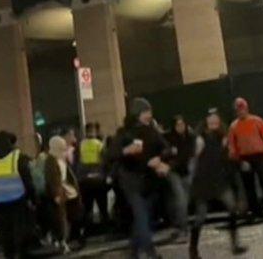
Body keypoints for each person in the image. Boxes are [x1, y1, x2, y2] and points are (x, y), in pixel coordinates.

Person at [114, 97, 170, 259]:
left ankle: (133, 251)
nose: (149, 115)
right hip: (131, 181)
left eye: (150, 112)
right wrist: (127, 151)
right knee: (142, 216)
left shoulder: (152, 131)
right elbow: (111, 154)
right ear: (136, 114)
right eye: (145, 112)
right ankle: (150, 252)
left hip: (148, 182)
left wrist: (160, 159)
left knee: (143, 218)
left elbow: (166, 148)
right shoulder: (125, 133)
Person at [189, 109, 246, 259]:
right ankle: (193, 249)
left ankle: (235, 244)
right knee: (200, 217)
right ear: (206, 121)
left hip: (219, 181)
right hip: (204, 181)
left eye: (216, 118)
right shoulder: (201, 138)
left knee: (232, 208)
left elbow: (227, 158)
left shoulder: (223, 137)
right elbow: (194, 159)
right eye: (210, 118)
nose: (213, 121)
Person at [0, 131, 35, 259]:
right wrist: (32, 197)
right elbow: (27, 179)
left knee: (5, 229)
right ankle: (22, 253)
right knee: (21, 228)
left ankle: (9, 255)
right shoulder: (17, 156)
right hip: (17, 198)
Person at [227, 97, 263, 220]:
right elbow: (232, 146)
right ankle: (256, 210)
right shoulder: (234, 126)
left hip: (260, 155)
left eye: (242, 108)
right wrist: (239, 160)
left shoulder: (257, 121)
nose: (240, 111)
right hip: (245, 158)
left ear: (246, 108)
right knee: (249, 187)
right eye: (238, 109)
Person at [45, 135, 83, 253]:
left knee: (69, 216)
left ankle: (68, 239)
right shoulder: (51, 160)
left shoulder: (60, 158)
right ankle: (62, 241)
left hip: (67, 191)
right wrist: (56, 194)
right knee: (61, 218)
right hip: (60, 192)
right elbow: (53, 178)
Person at [163, 115, 195, 238]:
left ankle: (178, 224)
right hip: (173, 172)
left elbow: (188, 154)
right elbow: (163, 152)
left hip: (185, 170)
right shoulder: (168, 138)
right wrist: (169, 154)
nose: (181, 127)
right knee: (180, 198)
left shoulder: (190, 137)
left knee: (183, 201)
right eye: (178, 125)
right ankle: (183, 228)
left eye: (182, 124)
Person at [76, 123, 109, 236]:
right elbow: (105, 161)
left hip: (85, 180)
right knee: (102, 206)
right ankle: (106, 229)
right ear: (94, 132)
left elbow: (77, 162)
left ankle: (87, 231)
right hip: (98, 179)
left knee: (87, 207)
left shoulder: (81, 145)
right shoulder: (99, 144)